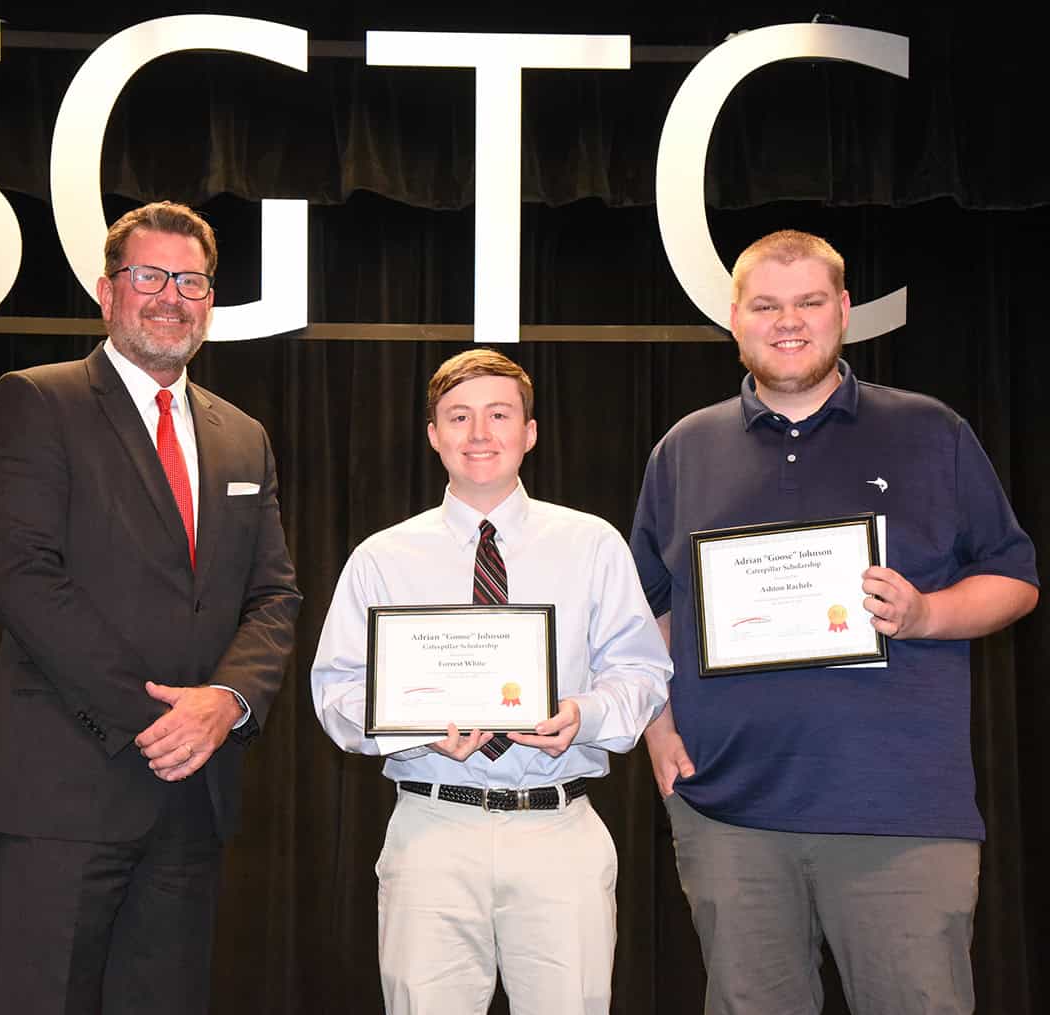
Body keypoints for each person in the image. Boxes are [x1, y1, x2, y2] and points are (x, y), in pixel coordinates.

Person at [630, 229, 1038, 1015]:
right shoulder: (684, 448)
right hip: (729, 812)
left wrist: (926, 612)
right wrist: (657, 726)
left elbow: (1015, 579)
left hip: (900, 813)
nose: (790, 321)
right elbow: (651, 607)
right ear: (735, 316)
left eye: (810, 302)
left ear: (844, 310)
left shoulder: (931, 431)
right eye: (768, 305)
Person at [0, 201, 301, 1014]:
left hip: (191, 800)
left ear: (210, 301)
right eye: (148, 275)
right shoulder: (37, 401)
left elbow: (274, 592)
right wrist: (158, 719)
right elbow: (21, 575)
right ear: (106, 290)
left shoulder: (243, 435)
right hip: (66, 787)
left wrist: (224, 704)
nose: (170, 297)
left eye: (190, 281)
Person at [312, 348, 671, 1015]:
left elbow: (643, 669)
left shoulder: (591, 544)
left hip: (558, 828)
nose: (479, 434)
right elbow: (336, 691)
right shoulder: (383, 558)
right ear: (433, 436)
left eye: (498, 414)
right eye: (458, 416)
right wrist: (412, 726)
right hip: (431, 829)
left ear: (530, 432)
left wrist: (583, 714)